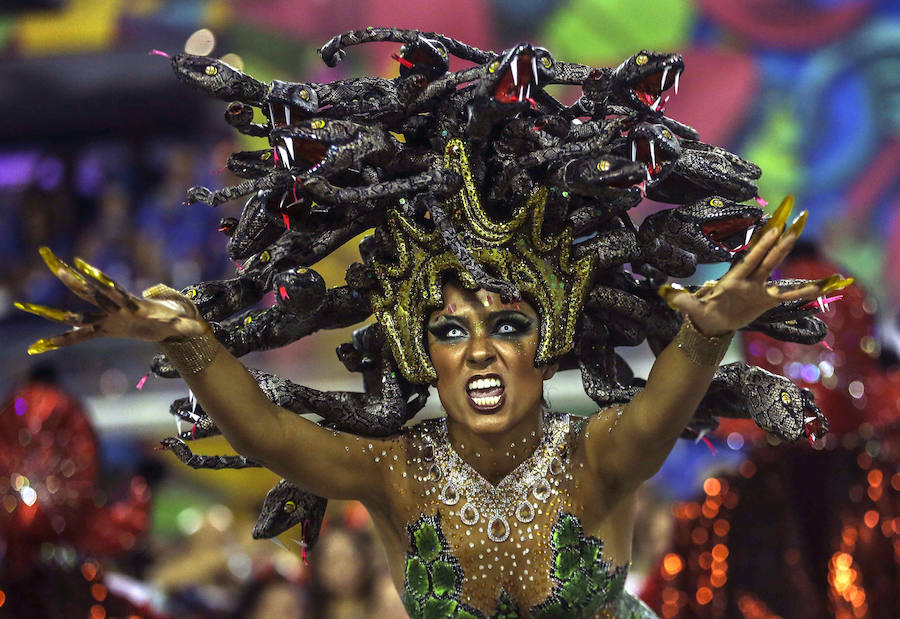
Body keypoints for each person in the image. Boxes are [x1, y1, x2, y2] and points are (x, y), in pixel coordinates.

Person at [14, 31, 853, 618]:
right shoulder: (395, 474)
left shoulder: (597, 454)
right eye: (452, 332)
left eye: (508, 324)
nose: (481, 350)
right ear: (423, 350)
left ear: (549, 336)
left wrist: (707, 335)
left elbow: (664, 405)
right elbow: (269, 431)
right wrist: (190, 340)